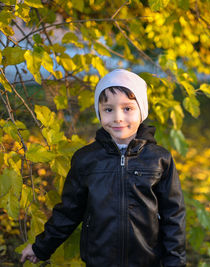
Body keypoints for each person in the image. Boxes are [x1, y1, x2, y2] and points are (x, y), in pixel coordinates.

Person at [20, 69, 186, 266]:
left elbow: (173, 216)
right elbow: (69, 211)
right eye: (108, 109)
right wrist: (41, 247)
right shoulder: (86, 160)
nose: (117, 117)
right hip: (100, 260)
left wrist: (175, 262)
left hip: (147, 260)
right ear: (99, 111)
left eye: (127, 109)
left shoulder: (159, 159)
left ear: (142, 110)